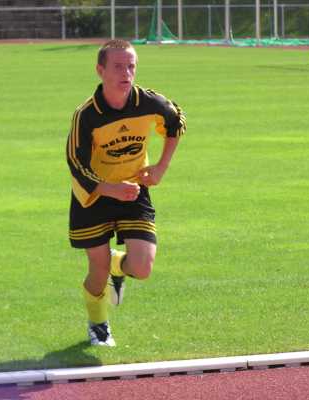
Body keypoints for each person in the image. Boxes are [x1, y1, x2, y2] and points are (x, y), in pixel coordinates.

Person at [66, 39, 186, 346]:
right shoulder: (86, 115)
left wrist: (160, 167)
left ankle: (119, 265)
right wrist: (110, 188)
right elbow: (75, 163)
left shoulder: (149, 102)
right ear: (100, 70)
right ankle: (98, 325)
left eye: (131, 66)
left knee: (143, 268)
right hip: (93, 196)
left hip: (133, 190)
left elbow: (176, 121)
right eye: (118, 67)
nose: (126, 73)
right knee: (97, 268)